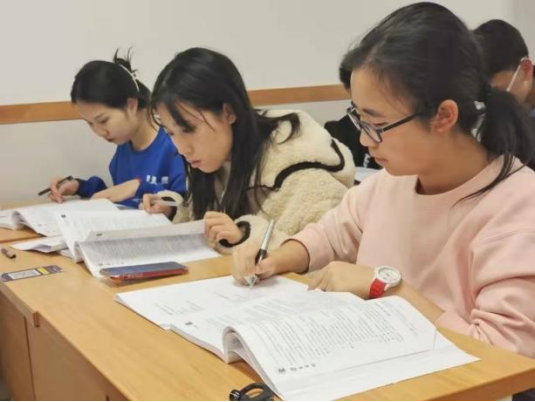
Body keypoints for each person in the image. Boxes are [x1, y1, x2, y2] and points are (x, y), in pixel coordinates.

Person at [233, 2, 535, 360]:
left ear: (443, 116)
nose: (364, 139)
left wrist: (387, 287)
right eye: (358, 119)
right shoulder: (391, 183)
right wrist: (276, 259)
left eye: (376, 124)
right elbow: (331, 234)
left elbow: (505, 356)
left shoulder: (517, 207)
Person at [143, 47, 355, 252]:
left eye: (188, 129)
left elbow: (328, 253)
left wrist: (244, 237)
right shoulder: (216, 159)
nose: (182, 148)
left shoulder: (302, 170)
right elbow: (206, 221)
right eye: (171, 133)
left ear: (228, 112)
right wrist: (172, 211)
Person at [49, 51, 186, 208]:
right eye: (90, 124)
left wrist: (140, 187)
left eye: (103, 120)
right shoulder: (124, 147)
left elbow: (186, 207)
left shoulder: (174, 146)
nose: (99, 132)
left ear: (131, 105)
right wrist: (80, 187)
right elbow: (121, 197)